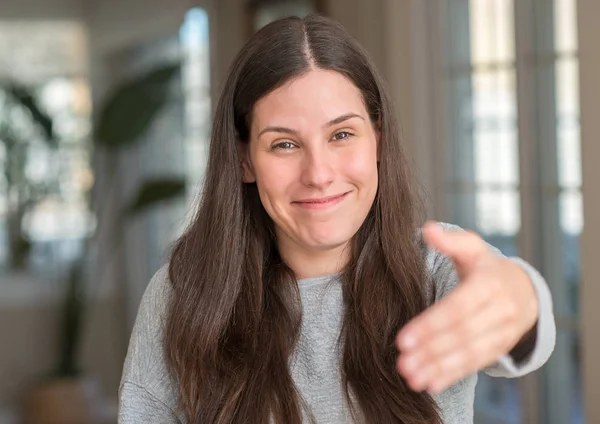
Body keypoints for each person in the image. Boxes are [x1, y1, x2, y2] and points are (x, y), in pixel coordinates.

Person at [118, 14, 555, 424]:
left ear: (377, 140)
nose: (319, 174)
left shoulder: (435, 270)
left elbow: (519, 319)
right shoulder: (183, 295)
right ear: (244, 159)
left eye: (342, 134)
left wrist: (521, 299)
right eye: (284, 144)